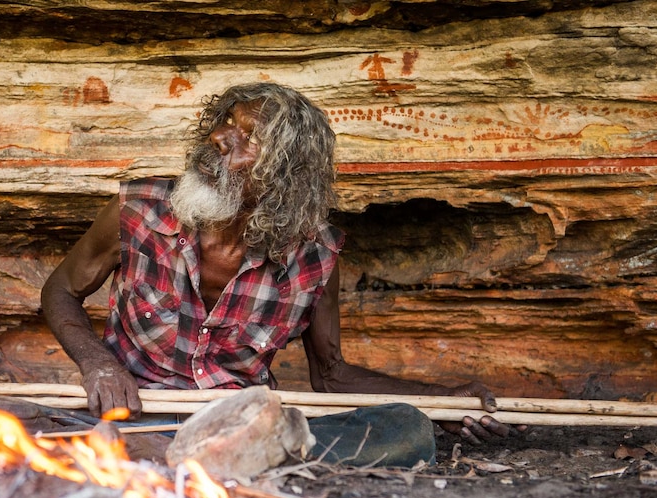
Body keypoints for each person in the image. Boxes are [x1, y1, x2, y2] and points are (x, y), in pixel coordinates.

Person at [41, 82, 520, 446]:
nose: (220, 138)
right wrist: (99, 367)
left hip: (243, 430)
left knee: (405, 435)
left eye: (249, 136)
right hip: (131, 418)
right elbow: (60, 289)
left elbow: (331, 375)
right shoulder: (140, 210)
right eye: (226, 122)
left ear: (284, 175)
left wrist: (443, 401)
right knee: (5, 421)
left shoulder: (316, 257)